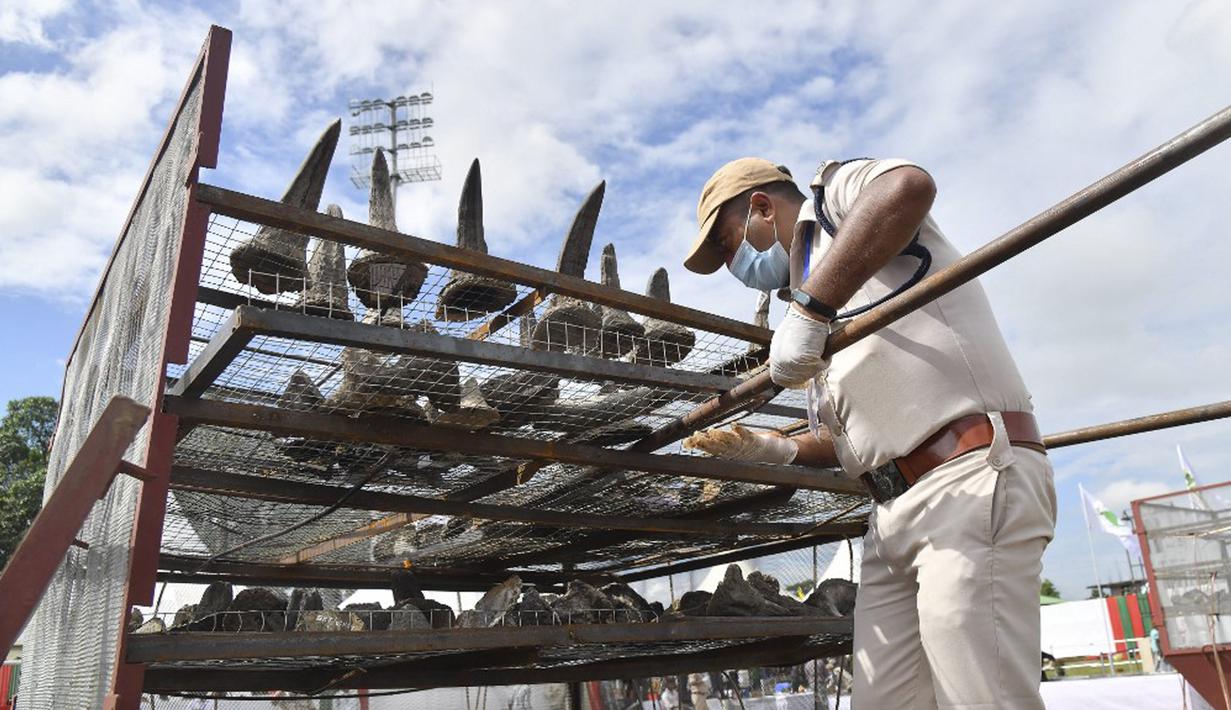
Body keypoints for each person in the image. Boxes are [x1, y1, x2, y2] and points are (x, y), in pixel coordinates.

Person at [683, 157, 1057, 708]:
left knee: (983, 698)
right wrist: (777, 448)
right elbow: (854, 440)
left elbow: (908, 186)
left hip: (965, 476)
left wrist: (811, 311)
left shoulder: (832, 201)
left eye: (725, 243)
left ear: (761, 207)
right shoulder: (809, 284)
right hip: (890, 511)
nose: (730, 263)